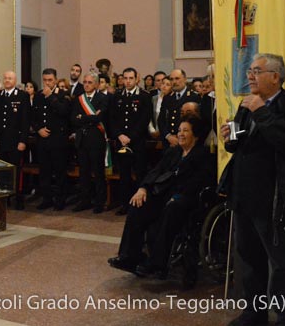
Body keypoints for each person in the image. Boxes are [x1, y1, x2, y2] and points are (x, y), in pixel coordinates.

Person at [220, 53, 285, 326]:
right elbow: (236, 146)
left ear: (276, 76)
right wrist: (230, 135)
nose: (250, 75)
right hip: (245, 197)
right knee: (249, 261)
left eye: (257, 71)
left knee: (282, 265)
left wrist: (262, 111)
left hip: (275, 201)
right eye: (249, 70)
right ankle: (254, 312)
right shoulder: (246, 104)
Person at [108, 118, 215, 279]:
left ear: (196, 135)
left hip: (186, 198)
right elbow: (156, 171)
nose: (180, 134)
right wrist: (143, 188)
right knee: (138, 205)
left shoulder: (203, 155)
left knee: (172, 208)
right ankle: (129, 256)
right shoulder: (174, 152)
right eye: (179, 130)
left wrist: (178, 195)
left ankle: (157, 263)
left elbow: (199, 182)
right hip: (164, 194)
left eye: (185, 130)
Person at [109, 67, 152, 215]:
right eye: (125, 78)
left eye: (130, 78)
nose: (127, 81)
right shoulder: (117, 96)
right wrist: (119, 135)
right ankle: (125, 205)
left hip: (137, 142)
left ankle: (140, 205)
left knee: (140, 173)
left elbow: (144, 119)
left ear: (136, 78)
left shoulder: (144, 96)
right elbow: (112, 119)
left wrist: (131, 137)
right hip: (121, 142)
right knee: (124, 175)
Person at [31, 68, 71, 210]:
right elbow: (33, 117)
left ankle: (60, 200)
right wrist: (38, 129)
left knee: (60, 171)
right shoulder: (38, 96)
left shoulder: (63, 95)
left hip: (58, 140)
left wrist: (50, 97)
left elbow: (64, 112)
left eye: (50, 80)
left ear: (55, 80)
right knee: (44, 171)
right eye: (45, 80)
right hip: (43, 139)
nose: (47, 83)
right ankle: (46, 199)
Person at [0, 71, 31, 210]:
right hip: (2, 141)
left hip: (16, 141)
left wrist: (23, 141)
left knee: (16, 170)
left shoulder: (22, 96)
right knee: (2, 171)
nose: (7, 80)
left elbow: (25, 120)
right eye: (5, 78)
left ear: (15, 80)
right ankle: (3, 197)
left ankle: (18, 198)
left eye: (10, 78)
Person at [70, 72, 109, 213]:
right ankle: (85, 200)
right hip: (82, 139)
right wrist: (89, 117)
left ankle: (99, 201)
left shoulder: (103, 98)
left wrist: (83, 117)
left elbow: (99, 118)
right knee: (84, 172)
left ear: (97, 84)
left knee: (98, 172)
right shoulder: (79, 99)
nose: (86, 85)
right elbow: (74, 119)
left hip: (96, 140)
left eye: (90, 82)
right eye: (85, 82)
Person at [159, 69, 200, 147]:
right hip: (169, 142)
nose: (174, 82)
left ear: (185, 79)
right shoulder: (167, 97)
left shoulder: (193, 96)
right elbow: (161, 120)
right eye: (172, 79)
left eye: (177, 78)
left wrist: (180, 137)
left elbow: (196, 122)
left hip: (187, 142)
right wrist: (168, 136)